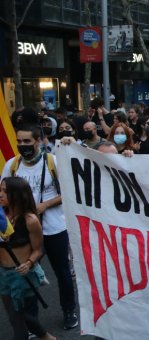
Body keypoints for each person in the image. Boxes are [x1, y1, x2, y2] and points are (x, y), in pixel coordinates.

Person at [1, 124, 78, 330]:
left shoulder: (52, 162)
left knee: (61, 270)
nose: (22, 145)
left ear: (38, 141)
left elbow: (70, 192)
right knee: (25, 274)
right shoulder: (12, 165)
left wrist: (46, 205)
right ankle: (32, 323)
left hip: (53, 227)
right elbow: (3, 196)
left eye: (27, 141)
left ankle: (69, 310)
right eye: (19, 141)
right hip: (23, 230)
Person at [0, 177, 56, 340]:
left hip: (22, 275)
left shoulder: (30, 220)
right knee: (14, 316)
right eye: (0, 190)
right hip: (3, 275)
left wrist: (29, 263)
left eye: (5, 191)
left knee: (21, 316)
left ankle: (47, 337)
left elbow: (38, 249)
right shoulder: (1, 216)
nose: (0, 194)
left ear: (17, 194)